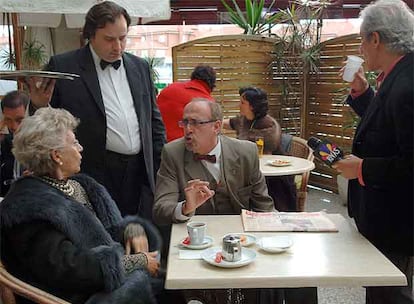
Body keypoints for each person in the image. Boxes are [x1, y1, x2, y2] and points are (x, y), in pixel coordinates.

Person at [0, 107, 162, 304]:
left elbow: (109, 233)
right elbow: (69, 268)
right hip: (76, 296)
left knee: (175, 283)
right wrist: (137, 262)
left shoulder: (82, 185)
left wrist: (132, 230)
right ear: (57, 156)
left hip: (108, 284)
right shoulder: (28, 207)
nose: (80, 148)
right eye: (75, 142)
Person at [27, 1, 165, 218]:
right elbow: (44, 127)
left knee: (138, 233)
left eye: (122, 38)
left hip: (139, 171)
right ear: (90, 35)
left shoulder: (140, 66)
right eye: (109, 39)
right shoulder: (64, 66)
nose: (117, 47)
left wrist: (159, 168)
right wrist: (38, 106)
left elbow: (153, 121)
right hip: (93, 170)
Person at [333, 1, 413, 303]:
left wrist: (363, 169)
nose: (361, 48)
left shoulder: (408, 84)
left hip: (398, 221)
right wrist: (363, 95)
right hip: (387, 218)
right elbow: (389, 129)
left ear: (376, 39)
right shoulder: (398, 75)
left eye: (362, 40)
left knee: (390, 295)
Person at [223, 87, 297, 211]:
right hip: (249, 169)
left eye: (242, 103)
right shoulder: (244, 120)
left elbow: (262, 149)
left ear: (252, 106)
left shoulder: (268, 125)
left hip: (271, 176)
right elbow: (227, 123)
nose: (238, 105)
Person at [157, 65, 216, 142]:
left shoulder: (170, 88)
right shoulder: (208, 103)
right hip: (185, 148)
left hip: (157, 143)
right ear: (212, 84)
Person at [0, 90, 28, 196]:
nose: (14, 127)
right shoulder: (6, 143)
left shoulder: (42, 145)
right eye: (8, 120)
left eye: (19, 120)